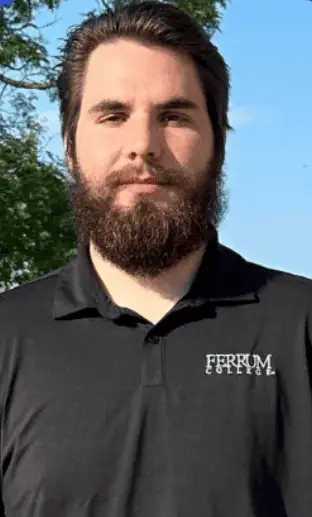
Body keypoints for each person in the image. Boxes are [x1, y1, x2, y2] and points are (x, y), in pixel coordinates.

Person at [0, 1, 311, 516]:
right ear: (69, 144)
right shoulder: (6, 336)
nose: (142, 145)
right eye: (113, 115)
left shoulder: (301, 326)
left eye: (174, 116)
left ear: (218, 144)